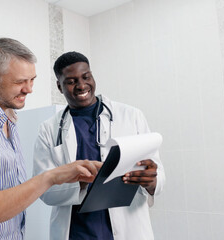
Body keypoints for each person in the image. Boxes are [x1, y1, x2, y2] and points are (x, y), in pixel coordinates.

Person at [0, 39, 102, 239]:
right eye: (20, 81)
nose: (29, 89)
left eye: (32, 80)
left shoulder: (9, 117)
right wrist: (50, 177)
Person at [33, 51, 165, 240]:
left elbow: (158, 173)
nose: (81, 85)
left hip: (129, 228)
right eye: (71, 81)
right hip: (77, 232)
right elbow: (44, 190)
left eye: (86, 77)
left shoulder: (131, 116)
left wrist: (152, 181)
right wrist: (81, 181)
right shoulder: (48, 129)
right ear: (59, 86)